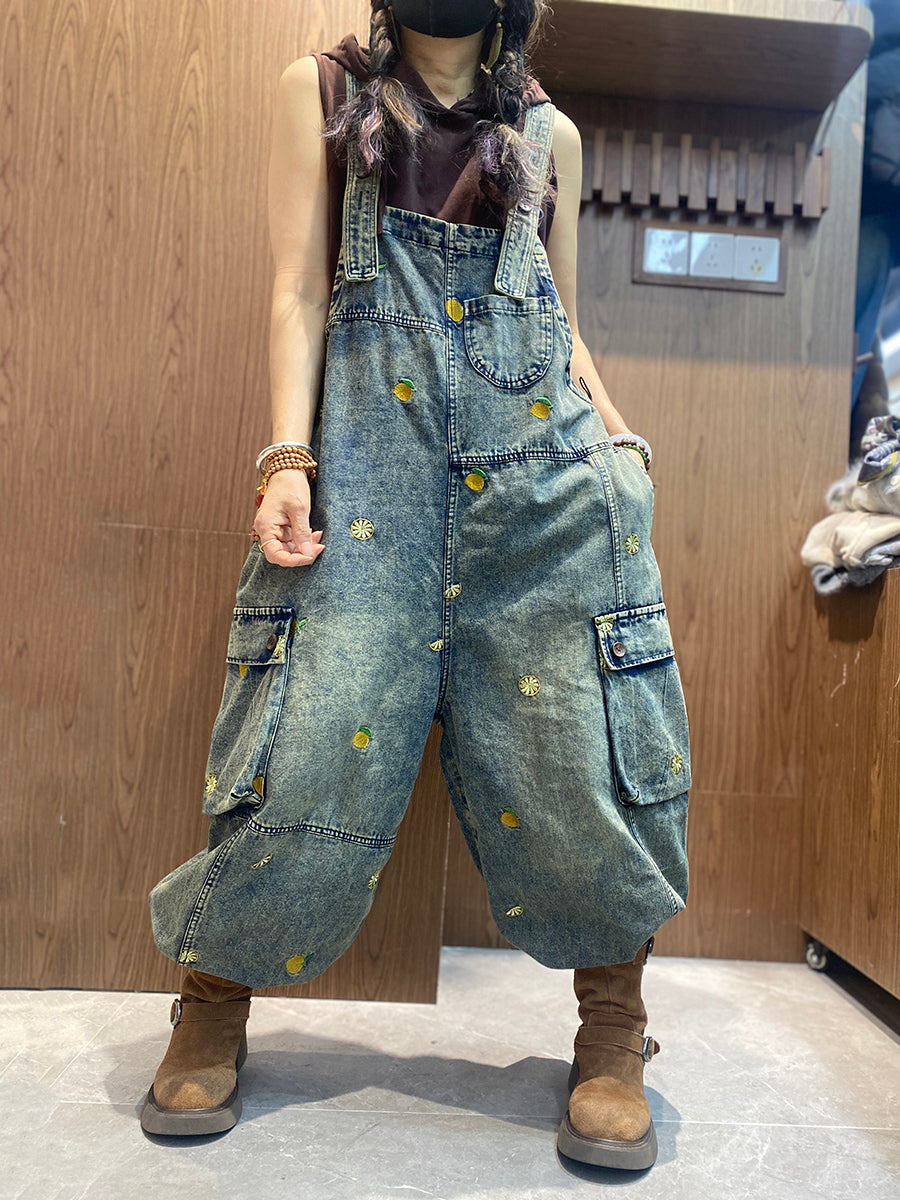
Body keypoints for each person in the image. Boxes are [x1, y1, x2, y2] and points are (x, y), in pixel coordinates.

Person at [140, 0, 692, 1171]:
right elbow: (297, 290)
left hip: (540, 495)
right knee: (307, 739)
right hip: (366, 485)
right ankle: (212, 1002)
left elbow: (559, 320)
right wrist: (287, 457)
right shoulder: (321, 93)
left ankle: (613, 1031)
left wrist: (622, 449)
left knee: (575, 760)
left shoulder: (552, 136)